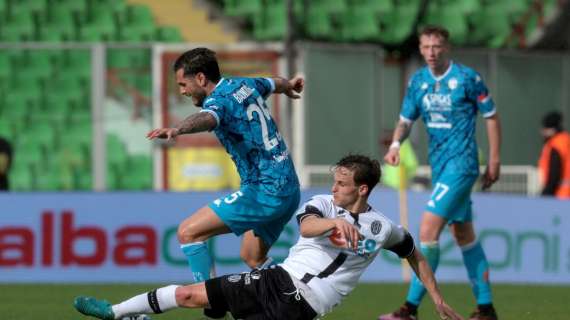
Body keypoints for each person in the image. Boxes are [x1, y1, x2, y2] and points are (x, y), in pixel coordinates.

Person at [73, 154, 463, 320]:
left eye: (342, 183)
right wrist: (331, 224)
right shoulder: (322, 205)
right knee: (195, 295)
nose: (335, 186)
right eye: (335, 180)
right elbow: (307, 226)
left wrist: (438, 299)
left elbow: (416, 254)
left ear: (362, 189)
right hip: (277, 278)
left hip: (304, 305)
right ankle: (115, 312)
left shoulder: (383, 229)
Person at [146, 48, 303, 317]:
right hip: (289, 187)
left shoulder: (218, 102)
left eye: (184, 84)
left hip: (265, 190)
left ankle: (212, 301)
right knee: (252, 257)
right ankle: (293, 298)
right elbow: (272, 83)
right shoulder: (242, 84)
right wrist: (289, 85)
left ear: (201, 77)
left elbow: (208, 118)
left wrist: (178, 129)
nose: (183, 91)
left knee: (188, 232)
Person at [378, 26, 502, 320]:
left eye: (437, 47)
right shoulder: (418, 81)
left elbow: (492, 116)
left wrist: (494, 160)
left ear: (447, 48)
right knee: (463, 235)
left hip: (462, 166)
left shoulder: (467, 79)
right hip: (440, 167)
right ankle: (486, 308)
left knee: (426, 231)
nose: (431, 53)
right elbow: (405, 120)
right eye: (425, 47)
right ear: (420, 49)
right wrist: (396, 143)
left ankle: (409, 309)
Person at [538, 111, 570, 199]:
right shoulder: (566, 140)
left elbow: (554, 174)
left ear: (550, 129)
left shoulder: (555, 145)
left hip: (560, 196)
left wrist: (545, 194)